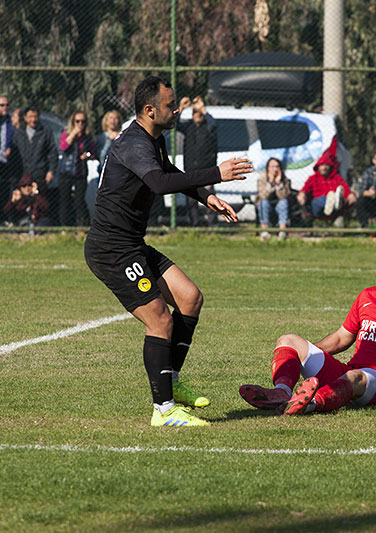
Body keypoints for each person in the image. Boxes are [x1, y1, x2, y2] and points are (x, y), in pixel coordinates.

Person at [84, 76, 253, 427]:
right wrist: (217, 175)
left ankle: (171, 382)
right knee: (159, 319)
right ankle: (164, 410)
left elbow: (169, 171)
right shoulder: (132, 143)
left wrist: (205, 195)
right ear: (149, 110)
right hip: (111, 248)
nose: (177, 110)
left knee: (189, 297)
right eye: (170, 105)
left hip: (132, 243)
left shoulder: (153, 140)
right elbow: (159, 183)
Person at [239, 233, 376, 415]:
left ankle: (307, 405)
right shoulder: (366, 296)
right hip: (351, 375)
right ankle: (282, 392)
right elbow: (342, 338)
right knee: (288, 340)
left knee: (355, 377)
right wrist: (306, 355)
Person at [177, 96, 217, 226]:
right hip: (191, 170)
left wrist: (203, 109)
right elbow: (175, 122)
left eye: (200, 114)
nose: (198, 115)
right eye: (195, 113)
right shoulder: (188, 127)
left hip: (207, 170)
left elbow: (213, 123)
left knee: (210, 198)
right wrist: (181, 108)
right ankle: (194, 225)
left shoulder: (209, 128)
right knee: (191, 200)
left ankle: (212, 225)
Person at [13, 106, 58, 220]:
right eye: (30, 117)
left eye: (35, 117)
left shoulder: (45, 132)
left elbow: (52, 152)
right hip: (23, 173)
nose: (33, 119)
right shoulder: (19, 133)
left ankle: (39, 222)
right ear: (25, 118)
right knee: (23, 200)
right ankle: (22, 222)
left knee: (40, 199)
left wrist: (51, 171)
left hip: (39, 172)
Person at [58, 111, 96, 226]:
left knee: (79, 201)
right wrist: (73, 133)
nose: (80, 124)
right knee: (65, 200)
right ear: (73, 122)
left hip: (80, 172)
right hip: (66, 171)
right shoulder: (66, 133)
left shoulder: (88, 137)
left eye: (83, 121)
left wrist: (87, 155)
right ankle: (65, 226)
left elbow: (93, 153)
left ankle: (81, 226)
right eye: (77, 121)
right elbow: (63, 147)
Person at [297, 150, 355, 220]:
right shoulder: (313, 179)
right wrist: (302, 194)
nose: (324, 168)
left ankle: (335, 202)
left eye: (326, 165)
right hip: (318, 208)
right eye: (321, 165)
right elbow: (305, 189)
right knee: (321, 200)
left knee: (343, 200)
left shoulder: (337, 178)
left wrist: (350, 195)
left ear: (330, 167)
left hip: (334, 211)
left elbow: (345, 189)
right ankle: (333, 201)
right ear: (318, 167)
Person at [256, 157, 291, 240]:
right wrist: (271, 183)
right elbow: (263, 196)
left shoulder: (284, 179)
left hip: (278, 204)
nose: (275, 169)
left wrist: (278, 183)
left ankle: (282, 231)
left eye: (277, 166)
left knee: (283, 202)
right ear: (268, 168)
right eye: (272, 167)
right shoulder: (262, 178)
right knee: (263, 203)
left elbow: (284, 196)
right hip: (266, 203)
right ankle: (265, 231)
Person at [0, 96, 15, 218]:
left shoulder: (10, 122)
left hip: (5, 163)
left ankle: (4, 219)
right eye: (1, 105)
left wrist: (10, 147)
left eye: (6, 105)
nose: (5, 107)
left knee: (4, 192)